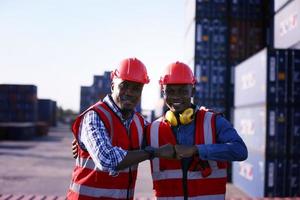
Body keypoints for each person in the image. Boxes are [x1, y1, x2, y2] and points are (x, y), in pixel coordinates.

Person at [67, 58, 174, 200]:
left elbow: (162, 139)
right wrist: (153, 152)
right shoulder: (94, 116)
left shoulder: (140, 123)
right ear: (112, 86)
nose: (130, 92)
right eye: (124, 86)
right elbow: (107, 159)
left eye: (136, 88)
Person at [145, 61, 248, 199]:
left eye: (183, 90)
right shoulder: (152, 129)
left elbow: (240, 151)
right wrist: (154, 152)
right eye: (170, 91)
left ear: (192, 91)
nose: (176, 96)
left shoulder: (213, 121)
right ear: (163, 92)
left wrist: (197, 150)